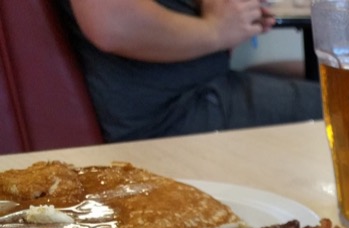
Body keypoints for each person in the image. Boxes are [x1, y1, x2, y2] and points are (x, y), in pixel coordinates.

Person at [56, 0, 323, 143]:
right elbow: (111, 22)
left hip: (201, 92)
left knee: (330, 85)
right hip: (171, 115)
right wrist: (218, 30)